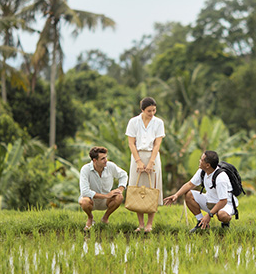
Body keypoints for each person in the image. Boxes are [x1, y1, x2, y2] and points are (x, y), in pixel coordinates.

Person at [163, 150, 238, 232]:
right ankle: (201, 223)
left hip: (225, 205)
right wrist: (176, 195)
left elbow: (223, 201)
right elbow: (190, 185)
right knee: (189, 194)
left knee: (222, 215)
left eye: (202, 160)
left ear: (208, 165)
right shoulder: (202, 171)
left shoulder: (221, 178)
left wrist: (209, 215)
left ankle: (226, 223)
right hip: (210, 200)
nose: (199, 161)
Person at [126, 97, 165, 233]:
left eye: (154, 110)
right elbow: (131, 143)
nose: (152, 113)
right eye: (149, 111)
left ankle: (149, 224)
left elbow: (157, 144)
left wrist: (151, 162)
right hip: (137, 156)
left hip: (152, 156)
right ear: (142, 110)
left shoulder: (159, 122)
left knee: (151, 189)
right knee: (138, 189)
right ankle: (141, 224)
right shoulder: (133, 122)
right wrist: (138, 161)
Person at [78, 146, 128, 231]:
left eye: (106, 157)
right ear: (94, 160)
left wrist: (120, 190)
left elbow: (123, 175)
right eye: (102, 159)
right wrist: (106, 196)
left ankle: (105, 218)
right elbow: (85, 192)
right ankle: (90, 218)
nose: (106, 160)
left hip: (106, 201)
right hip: (91, 200)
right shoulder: (85, 169)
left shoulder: (110, 166)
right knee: (84, 201)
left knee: (119, 197)